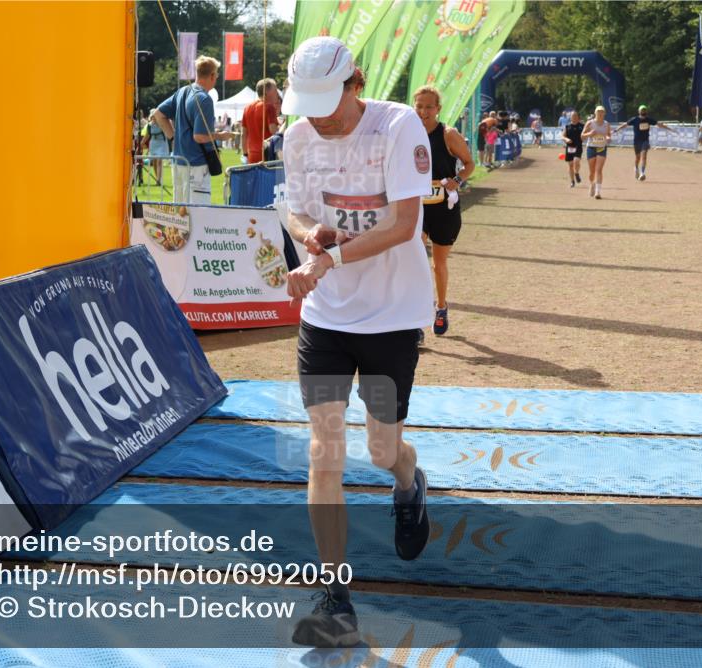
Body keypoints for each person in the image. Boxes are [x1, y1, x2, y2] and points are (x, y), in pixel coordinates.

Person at [280, 35, 433, 648]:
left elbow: (404, 224)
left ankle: (408, 482)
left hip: (392, 317)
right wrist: (309, 230)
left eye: (329, 101)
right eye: (308, 102)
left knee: (380, 450)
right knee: (324, 448)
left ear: (356, 84)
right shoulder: (297, 136)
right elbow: (292, 210)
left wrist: (328, 259)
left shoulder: (398, 128)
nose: (318, 115)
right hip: (325, 322)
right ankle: (335, 597)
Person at [412, 86, 473, 340]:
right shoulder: (408, 133)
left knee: (438, 264)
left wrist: (456, 180)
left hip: (444, 207)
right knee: (414, 262)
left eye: (429, 106)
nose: (424, 111)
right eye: (419, 106)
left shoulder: (448, 134)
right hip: (417, 208)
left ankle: (441, 307)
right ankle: (415, 320)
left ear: (438, 109)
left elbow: (470, 164)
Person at [153, 56, 234, 204]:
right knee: (197, 213)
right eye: (216, 74)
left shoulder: (183, 91)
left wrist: (173, 138)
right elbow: (199, 137)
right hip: (196, 165)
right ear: (211, 75)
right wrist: (221, 136)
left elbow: (158, 114)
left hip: (178, 161)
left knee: (180, 212)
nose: (216, 78)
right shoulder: (205, 99)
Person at [614, 104, 675, 181]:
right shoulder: (634, 119)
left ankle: (642, 173)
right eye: (642, 110)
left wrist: (670, 129)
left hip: (645, 141)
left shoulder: (649, 120)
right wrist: (616, 130)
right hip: (636, 142)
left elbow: (659, 124)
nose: (643, 111)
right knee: (638, 158)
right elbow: (625, 125)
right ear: (639, 111)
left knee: (644, 156)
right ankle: (636, 168)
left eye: (644, 110)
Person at [242, 78, 280, 164]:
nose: (277, 94)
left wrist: (245, 154)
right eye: (275, 90)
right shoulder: (269, 107)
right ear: (267, 92)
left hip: (251, 156)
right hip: (267, 156)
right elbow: (273, 131)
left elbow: (243, 134)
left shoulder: (247, 108)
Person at [581, 104, 611, 199]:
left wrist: (608, 138)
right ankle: (592, 184)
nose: (600, 113)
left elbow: (609, 135)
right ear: (595, 113)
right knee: (592, 171)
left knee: (599, 170)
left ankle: (598, 192)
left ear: (604, 113)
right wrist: (590, 133)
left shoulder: (607, 124)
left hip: (601, 148)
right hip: (591, 147)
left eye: (602, 112)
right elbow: (582, 136)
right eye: (598, 112)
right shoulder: (590, 123)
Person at [144, 109, 170, 185]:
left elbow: (167, 130)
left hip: (161, 143)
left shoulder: (162, 123)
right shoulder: (149, 125)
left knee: (159, 161)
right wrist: (142, 143)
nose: (154, 118)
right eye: (153, 117)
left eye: (155, 116)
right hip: (153, 143)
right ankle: (157, 179)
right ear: (151, 117)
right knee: (154, 162)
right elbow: (147, 135)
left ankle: (158, 180)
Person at [561, 110, 584, 188]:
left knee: (576, 161)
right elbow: (562, 136)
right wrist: (566, 139)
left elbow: (586, 134)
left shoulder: (582, 126)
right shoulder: (567, 127)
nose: (574, 117)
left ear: (578, 117)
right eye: (572, 116)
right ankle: (572, 181)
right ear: (570, 117)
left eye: (575, 116)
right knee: (570, 165)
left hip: (578, 146)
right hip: (570, 147)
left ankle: (576, 173)